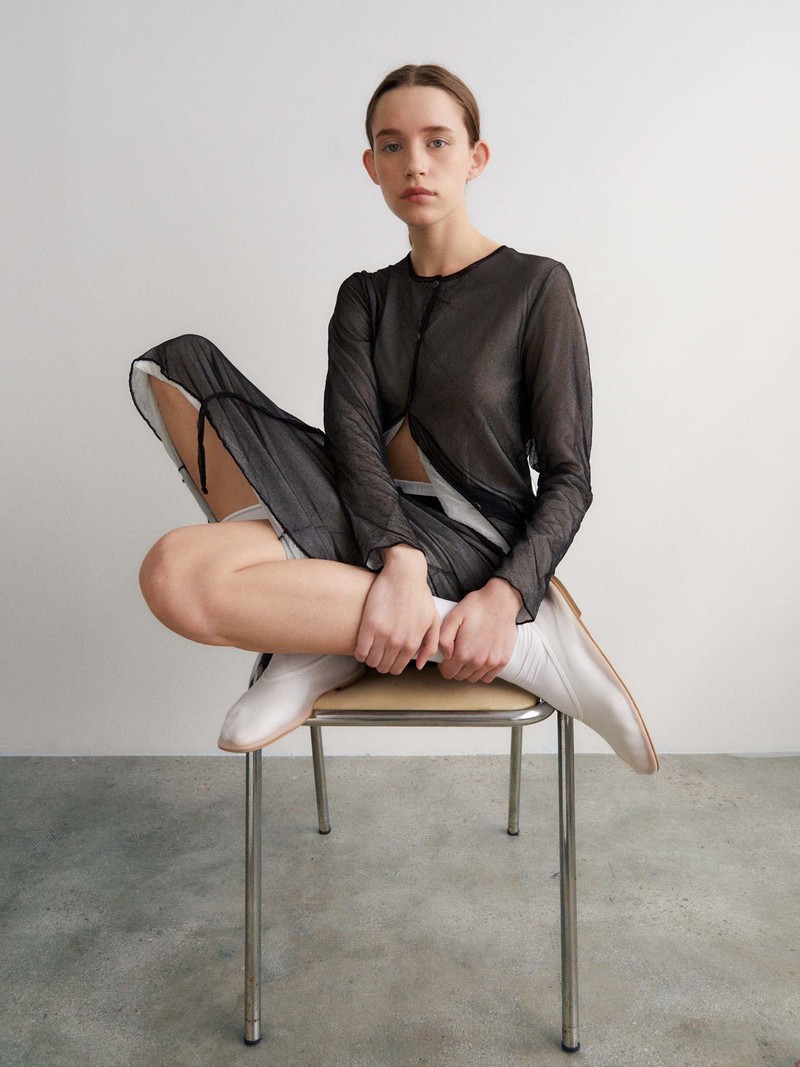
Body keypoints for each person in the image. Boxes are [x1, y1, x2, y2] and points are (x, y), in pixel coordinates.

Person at [129, 63, 658, 775]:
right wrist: (399, 563)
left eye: (438, 142)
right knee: (172, 568)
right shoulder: (364, 297)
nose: (415, 163)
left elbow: (570, 477)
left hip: (474, 545)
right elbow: (352, 445)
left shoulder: (536, 287)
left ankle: (369, 644)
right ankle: (410, 636)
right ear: (371, 165)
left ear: (476, 157)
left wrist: (507, 593)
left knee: (197, 573)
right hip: (366, 518)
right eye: (392, 145)